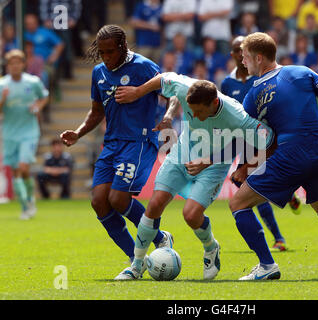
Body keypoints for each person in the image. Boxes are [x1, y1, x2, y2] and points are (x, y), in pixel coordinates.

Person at [229, 32, 318, 280]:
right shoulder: (302, 71)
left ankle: (266, 266)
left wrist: (243, 167)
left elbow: (250, 136)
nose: (242, 62)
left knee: (238, 204)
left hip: (291, 154)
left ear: (259, 58)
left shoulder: (254, 94)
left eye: (246, 57)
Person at [112, 71, 275, 281]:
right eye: (191, 111)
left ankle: (211, 248)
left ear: (214, 102)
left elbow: (268, 138)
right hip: (181, 154)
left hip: (214, 166)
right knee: (155, 204)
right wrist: (139, 93)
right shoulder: (184, 87)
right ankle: (136, 265)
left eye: (199, 112)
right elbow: (164, 79)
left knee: (190, 215)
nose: (194, 116)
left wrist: (238, 166)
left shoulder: (235, 114)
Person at [60, 25, 172, 268]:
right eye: (102, 53)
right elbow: (97, 112)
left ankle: (159, 237)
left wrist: (168, 116)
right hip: (111, 144)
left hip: (139, 142)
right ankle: (136, 259)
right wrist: (78, 133)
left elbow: (172, 92)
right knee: (99, 201)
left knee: (119, 199)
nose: (106, 58)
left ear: (123, 47)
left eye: (111, 51)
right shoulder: (99, 72)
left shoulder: (144, 67)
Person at [221, 36, 302, 252]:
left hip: (265, 137)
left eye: (244, 50)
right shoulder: (227, 83)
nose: (241, 54)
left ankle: (278, 238)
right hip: (243, 138)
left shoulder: (261, 74)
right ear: (233, 55)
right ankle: (287, 196)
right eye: (237, 50)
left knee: (253, 183)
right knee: (245, 183)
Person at [0, 49, 49, 220]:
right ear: (8, 66)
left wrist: (38, 106)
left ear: (23, 64)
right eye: (11, 63)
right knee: (15, 171)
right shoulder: (2, 85)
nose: (14, 66)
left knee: (23, 167)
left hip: (29, 131)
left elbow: (44, 97)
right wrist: (3, 100)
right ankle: (25, 206)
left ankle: (30, 201)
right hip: (10, 133)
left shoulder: (32, 82)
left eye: (17, 63)